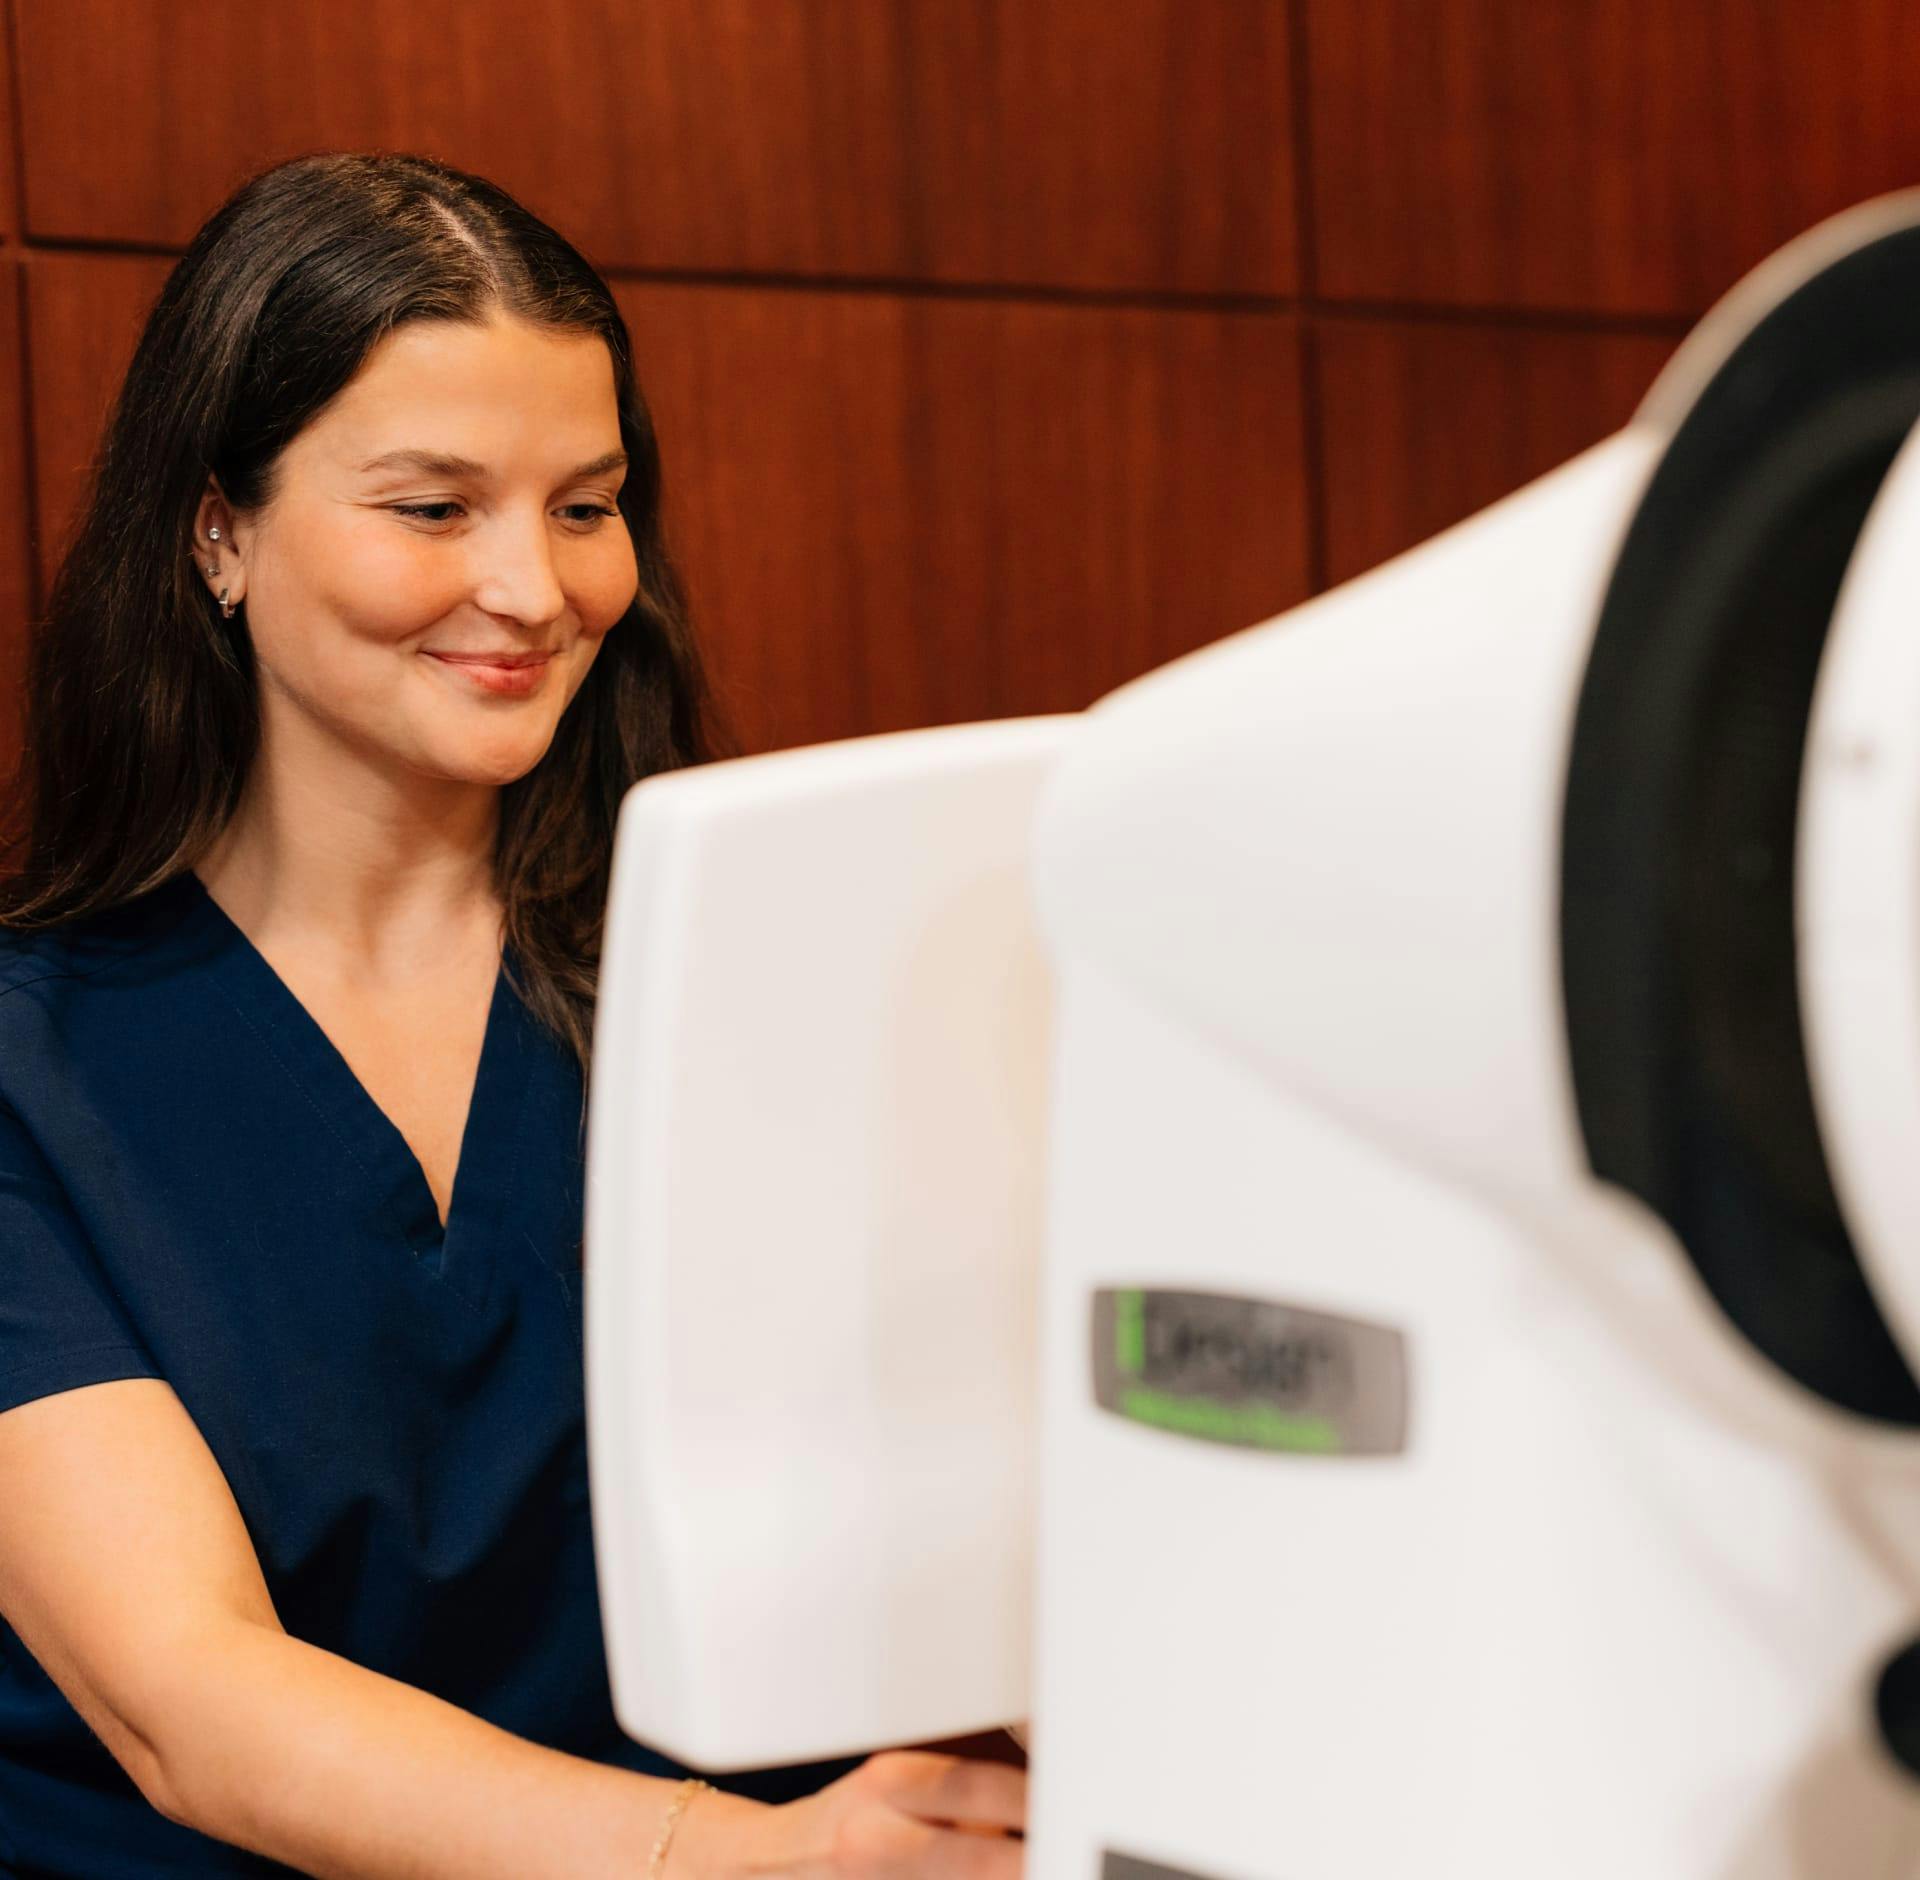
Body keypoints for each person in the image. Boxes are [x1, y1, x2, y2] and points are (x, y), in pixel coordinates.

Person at [0, 152, 1026, 1878]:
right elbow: (194, 1705)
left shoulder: (750, 975)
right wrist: (752, 1865)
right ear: (218, 530)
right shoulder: (34, 1060)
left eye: (583, 503)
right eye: (433, 507)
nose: (537, 593)